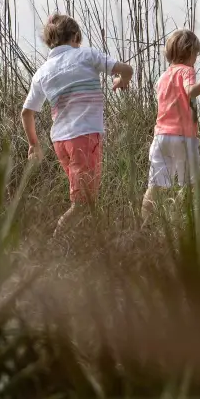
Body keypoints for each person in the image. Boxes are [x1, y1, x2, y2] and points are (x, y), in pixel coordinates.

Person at [21, 13, 132, 235]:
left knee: (86, 198)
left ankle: (91, 241)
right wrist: (121, 81)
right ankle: (55, 243)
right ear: (75, 36)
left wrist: (34, 144)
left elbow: (26, 113)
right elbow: (127, 70)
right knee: (81, 204)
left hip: (61, 142)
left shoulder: (42, 72)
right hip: (85, 138)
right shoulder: (86, 55)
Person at [142, 29, 200, 219]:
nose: (195, 59)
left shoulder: (163, 77)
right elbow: (190, 91)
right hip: (183, 138)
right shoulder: (187, 70)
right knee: (192, 185)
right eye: (195, 55)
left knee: (154, 186)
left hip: (160, 138)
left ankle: (143, 224)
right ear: (189, 52)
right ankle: (186, 220)